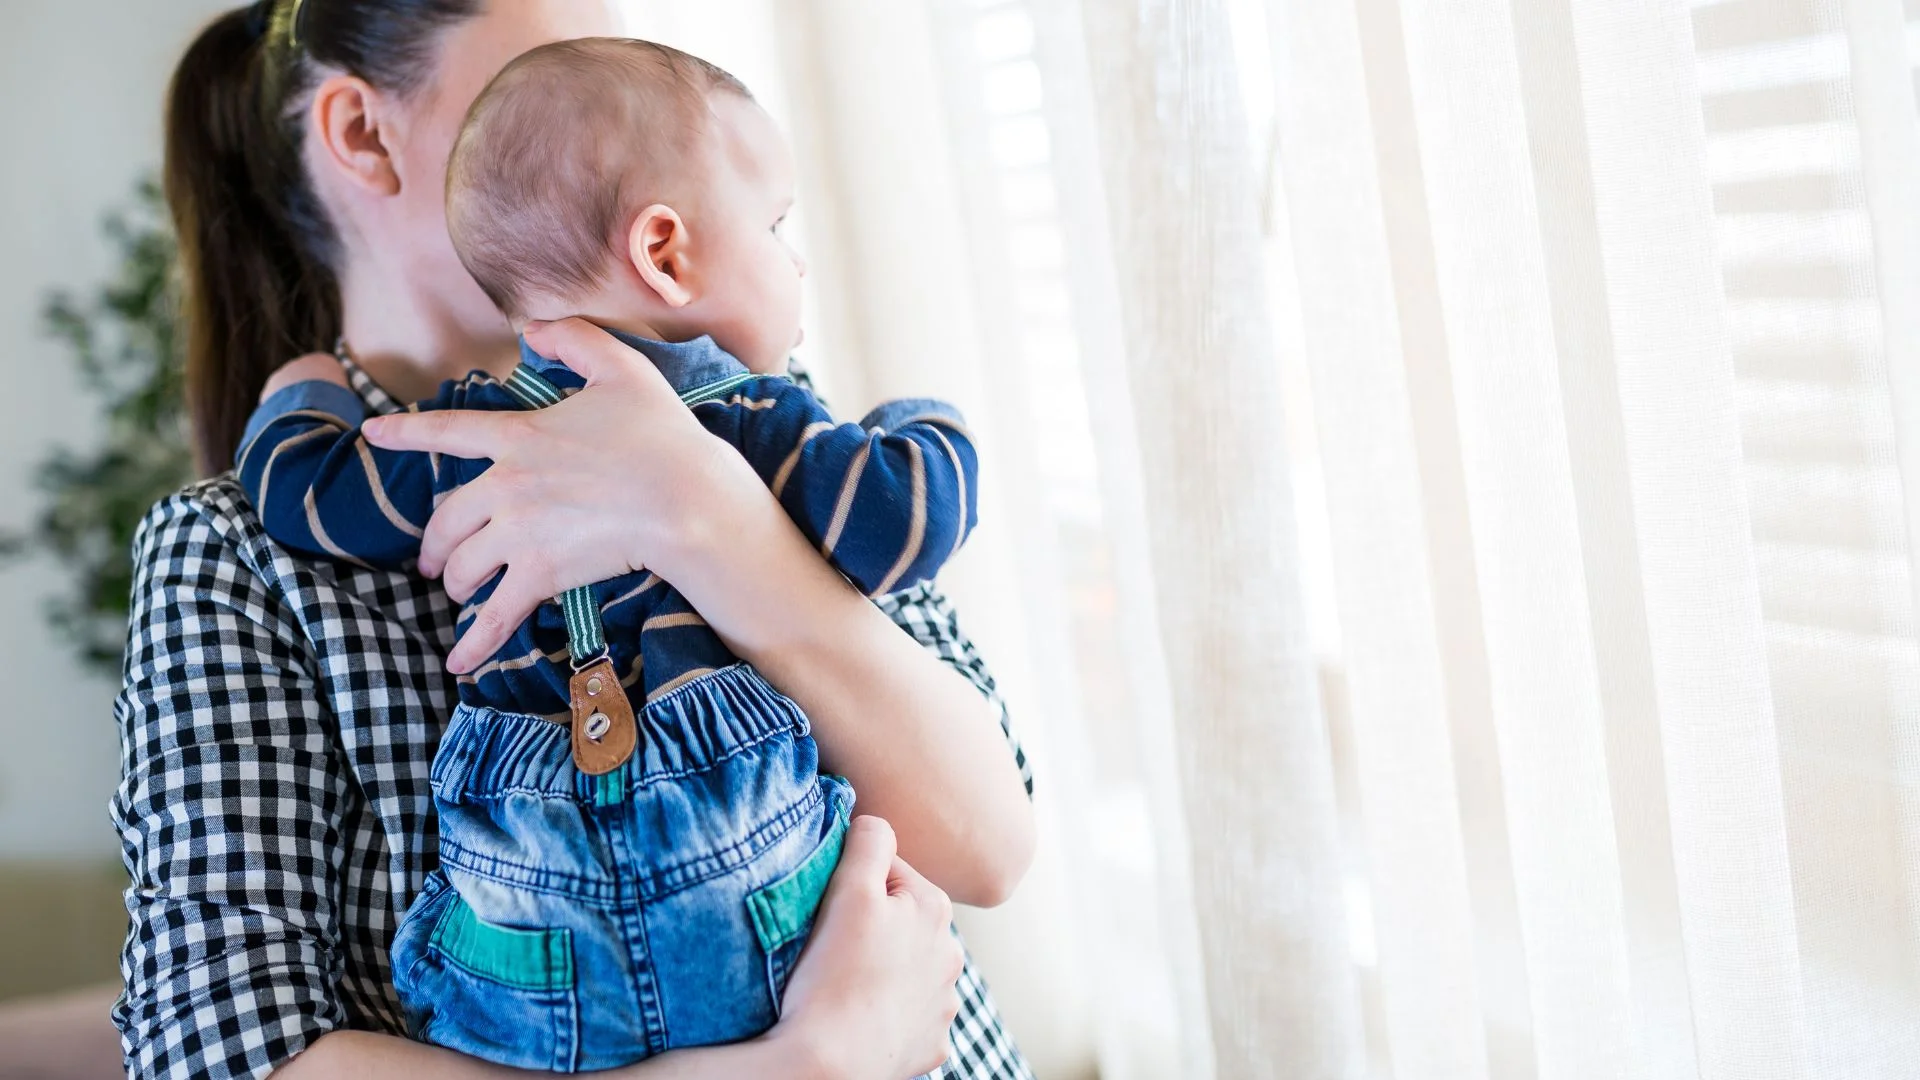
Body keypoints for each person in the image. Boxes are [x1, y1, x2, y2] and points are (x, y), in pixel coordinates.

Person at [113, 2, 1036, 1078]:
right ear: (366, 136)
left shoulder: (761, 417)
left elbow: (988, 843)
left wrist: (709, 518)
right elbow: (219, 1053)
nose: (626, 114)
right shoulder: (241, 557)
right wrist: (805, 1066)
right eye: (561, 70)